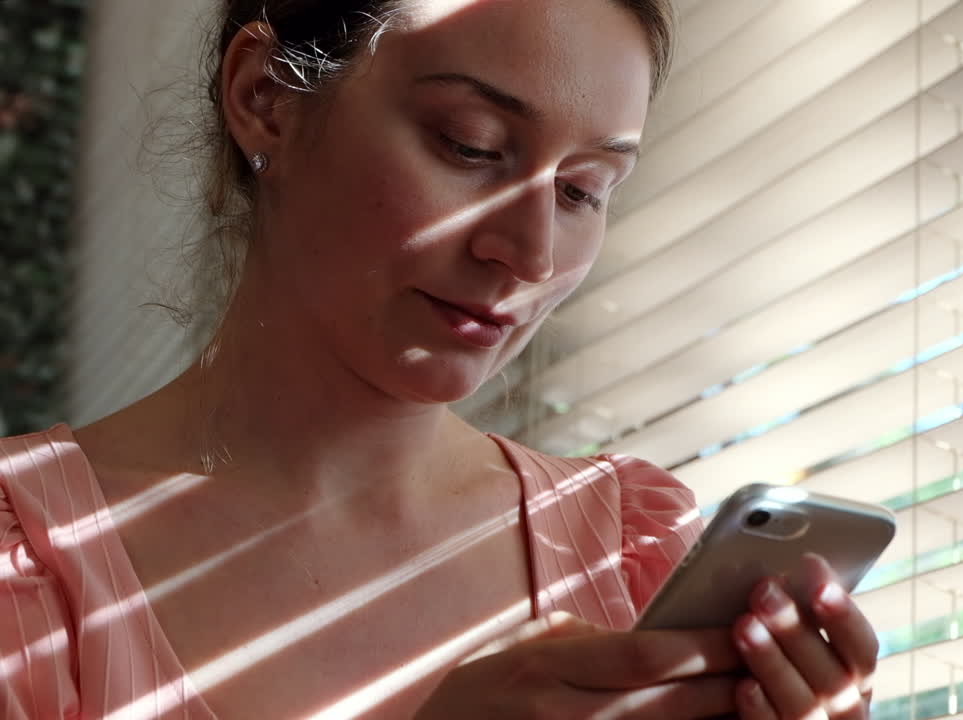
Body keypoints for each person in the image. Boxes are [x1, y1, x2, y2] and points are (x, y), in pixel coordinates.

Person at [0, 1, 879, 717]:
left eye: (583, 191)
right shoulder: (28, 569)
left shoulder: (630, 557)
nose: (531, 253)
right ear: (265, 96)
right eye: (471, 145)